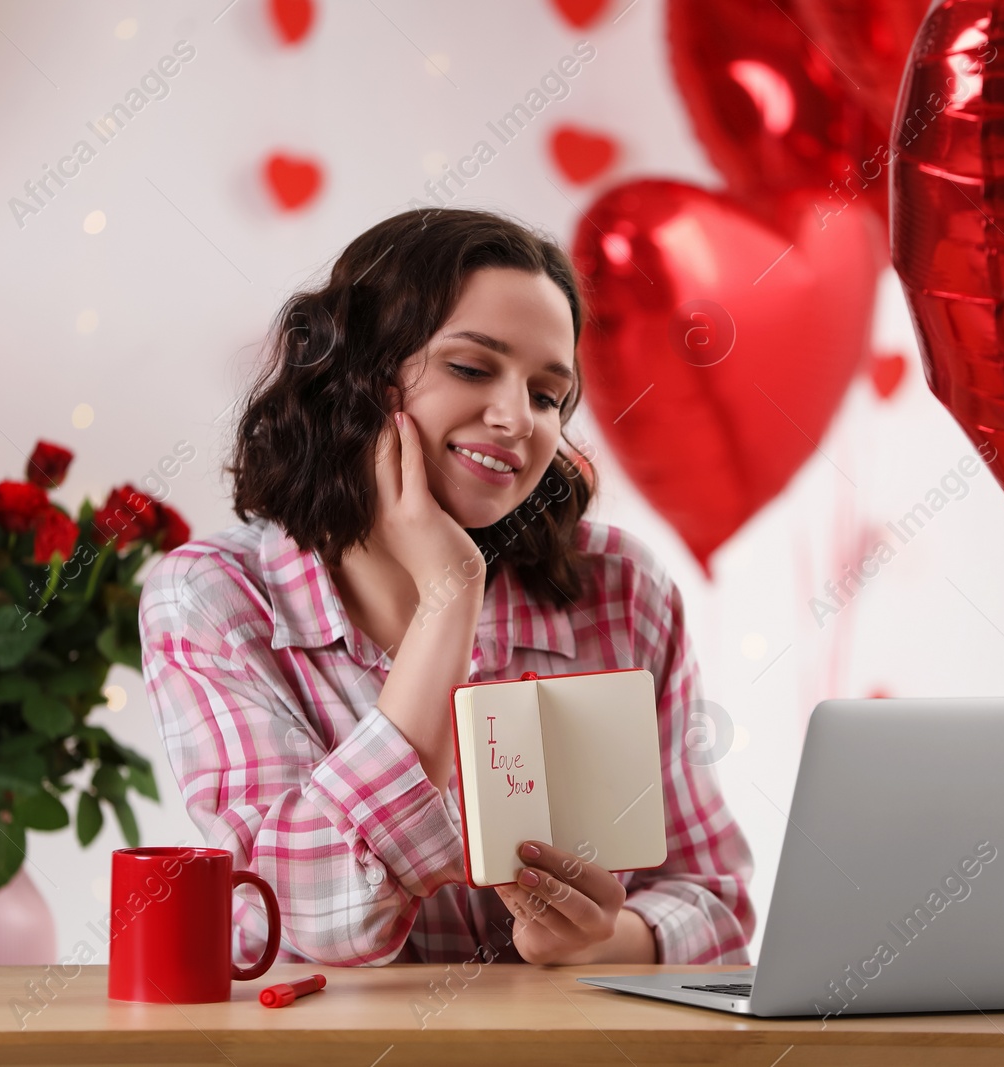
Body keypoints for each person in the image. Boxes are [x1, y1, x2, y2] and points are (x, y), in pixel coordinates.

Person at [139, 206, 754, 968]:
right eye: (471, 368)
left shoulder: (621, 586)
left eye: (545, 394)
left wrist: (601, 940)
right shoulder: (214, 598)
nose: (515, 419)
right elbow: (311, 919)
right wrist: (448, 596)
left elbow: (714, 895)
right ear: (358, 378)